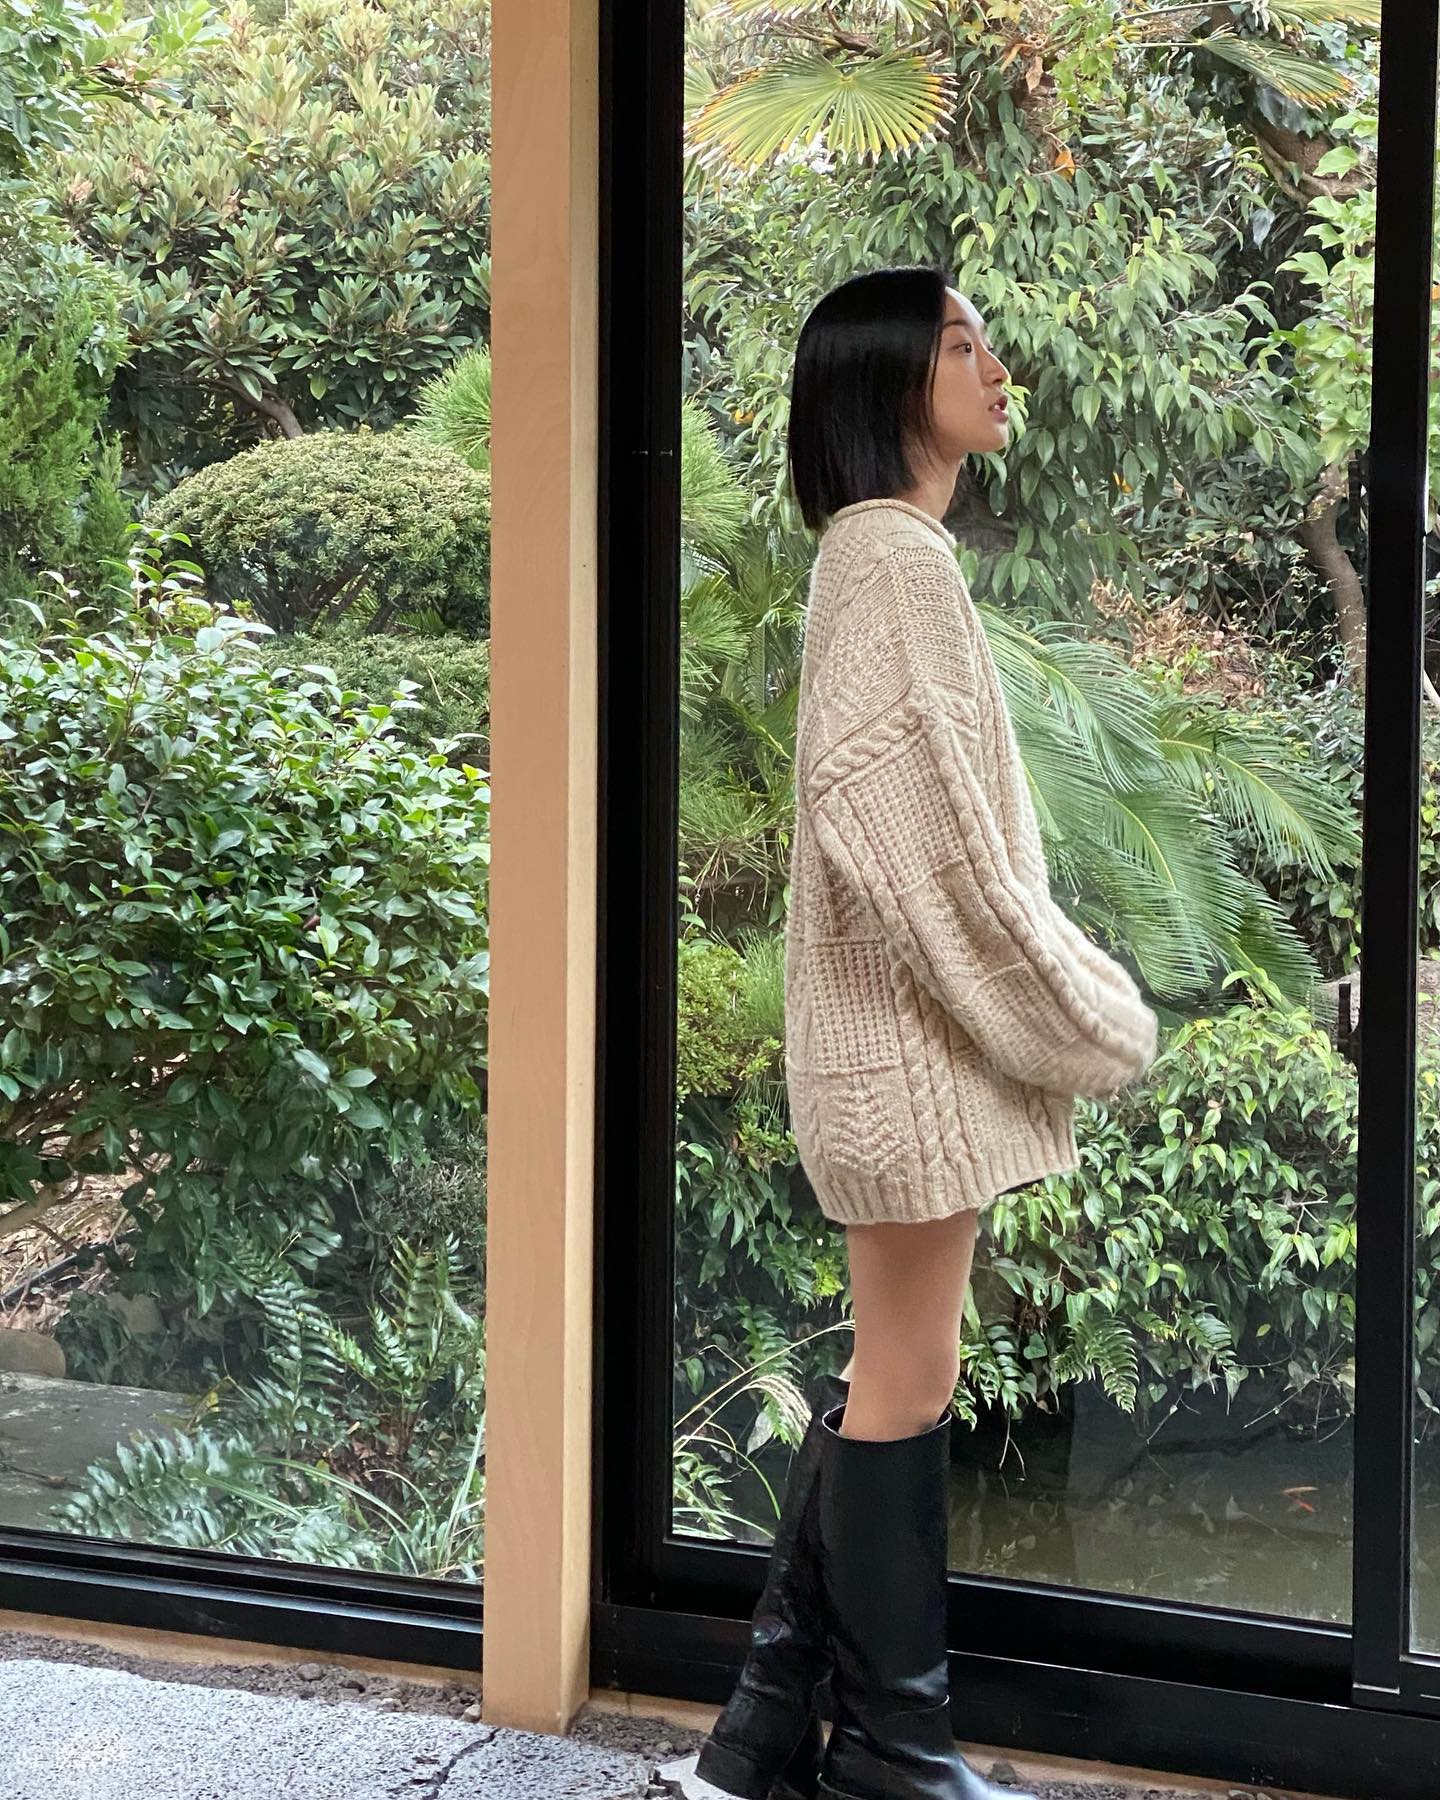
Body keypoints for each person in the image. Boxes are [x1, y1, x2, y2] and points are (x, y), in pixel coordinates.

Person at [694, 266, 1159, 1800]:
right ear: (892, 381)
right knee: (909, 1377)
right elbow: (929, 857)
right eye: (963, 344)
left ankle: (764, 1731)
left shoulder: (879, 555)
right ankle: (896, 1752)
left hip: (896, 1050)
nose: (996, 366)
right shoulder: (893, 562)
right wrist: (1083, 1013)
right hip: (902, 1054)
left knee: (897, 1367)